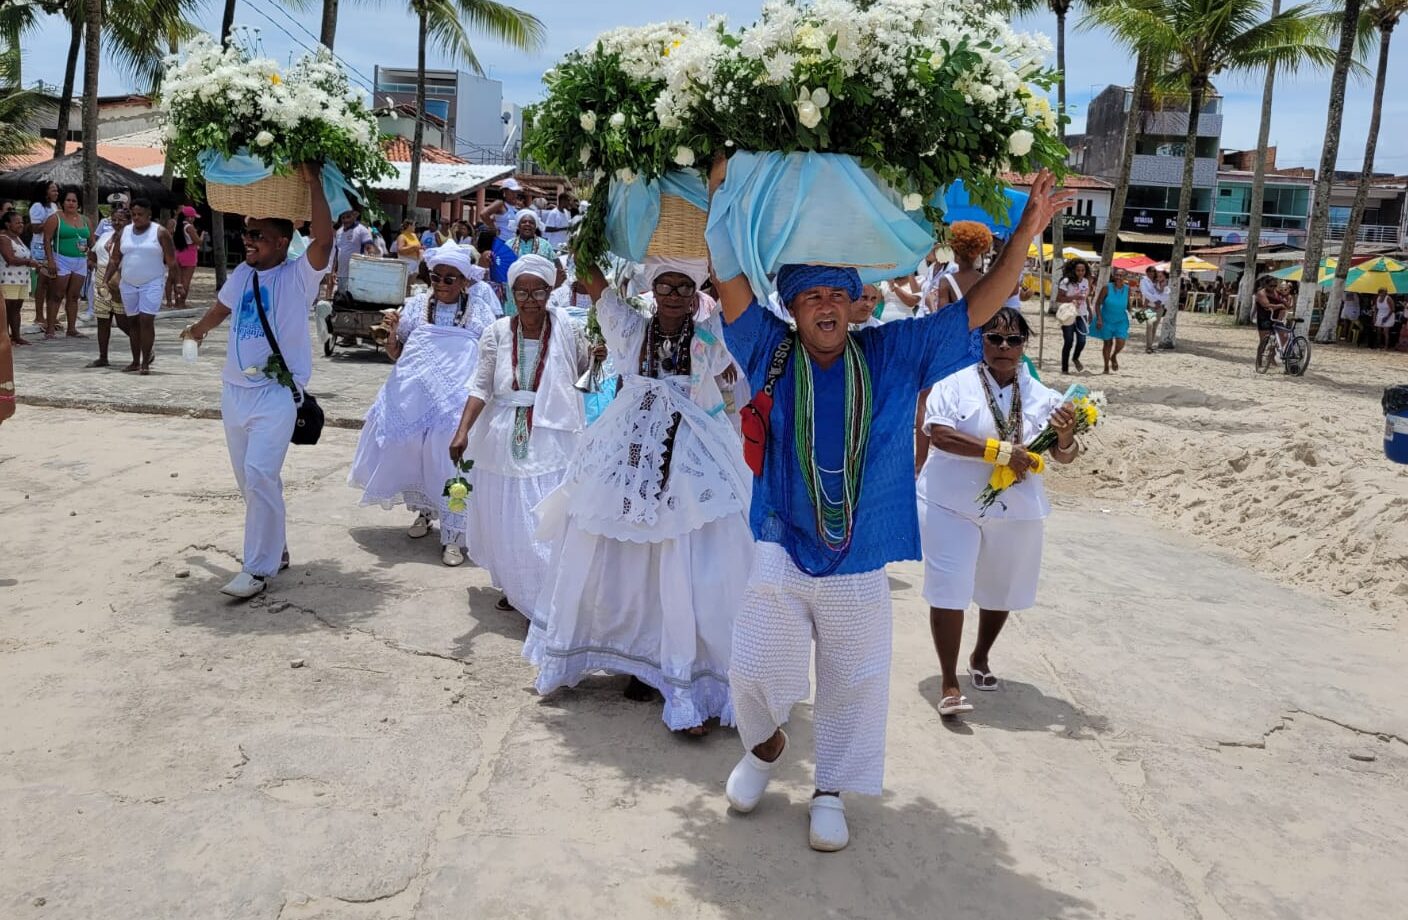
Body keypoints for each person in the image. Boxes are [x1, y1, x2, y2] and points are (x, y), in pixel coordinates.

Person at [713, 164, 1070, 852]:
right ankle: (764, 747)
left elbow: (975, 311)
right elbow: (726, 275)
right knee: (754, 663)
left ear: (853, 305)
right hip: (781, 538)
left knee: (856, 677)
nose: (823, 305)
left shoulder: (894, 352)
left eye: (834, 295)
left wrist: (1023, 234)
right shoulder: (766, 348)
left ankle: (829, 790)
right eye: (809, 294)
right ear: (791, 307)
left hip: (864, 547)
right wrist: (724, 195)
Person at [525, 257, 751, 735]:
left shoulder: (710, 335)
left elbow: (736, 301)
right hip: (625, 451)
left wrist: (728, 248)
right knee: (621, 557)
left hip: (691, 455)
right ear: (653, 291)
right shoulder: (628, 328)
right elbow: (595, 282)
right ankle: (633, 660)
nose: (672, 294)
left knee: (683, 557)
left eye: (683, 286)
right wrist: (597, 229)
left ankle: (682, 678)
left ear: (695, 293)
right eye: (664, 285)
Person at [916, 307, 1080, 716]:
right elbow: (939, 434)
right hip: (949, 502)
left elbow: (1067, 457)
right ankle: (950, 683)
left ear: (1025, 345)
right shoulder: (955, 382)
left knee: (1001, 586)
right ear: (981, 342)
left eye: (1013, 340)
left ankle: (981, 656)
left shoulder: (1047, 397)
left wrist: (1064, 436)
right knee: (949, 585)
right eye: (994, 338)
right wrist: (1003, 451)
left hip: (1016, 508)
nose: (1004, 347)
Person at [181, 163, 332, 600]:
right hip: (234, 392)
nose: (247, 241)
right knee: (249, 482)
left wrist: (313, 182)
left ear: (283, 242)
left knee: (261, 473)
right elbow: (222, 308)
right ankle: (275, 547)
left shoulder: (297, 276)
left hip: (275, 395)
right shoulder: (244, 274)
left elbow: (323, 239)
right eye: (246, 235)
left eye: (258, 235)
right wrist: (196, 330)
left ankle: (258, 568)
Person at [448, 253, 591, 613]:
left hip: (553, 436)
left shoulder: (570, 330)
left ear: (550, 291)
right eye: (521, 293)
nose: (529, 300)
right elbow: (481, 386)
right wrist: (462, 431)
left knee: (540, 520)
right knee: (507, 520)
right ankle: (517, 587)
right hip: (501, 438)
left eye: (537, 292)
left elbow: (587, 376)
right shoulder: (495, 332)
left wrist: (599, 357)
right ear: (512, 294)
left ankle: (540, 599)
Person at [350, 247, 498, 566]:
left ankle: (455, 535)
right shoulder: (416, 306)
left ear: (464, 282)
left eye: (449, 278)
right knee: (415, 452)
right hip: (416, 394)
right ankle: (424, 513)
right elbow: (399, 352)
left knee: (449, 458)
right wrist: (389, 335)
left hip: (456, 395)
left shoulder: (481, 311)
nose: (441, 283)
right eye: (435, 276)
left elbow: (489, 355)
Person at [103, 198, 180, 375]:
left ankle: (146, 361)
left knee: (146, 320)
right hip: (128, 283)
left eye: (140, 215)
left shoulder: (160, 233)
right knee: (133, 322)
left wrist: (178, 284)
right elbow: (115, 258)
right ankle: (135, 360)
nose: (136, 218)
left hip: (152, 282)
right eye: (134, 214)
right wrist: (106, 279)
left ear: (149, 215)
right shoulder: (124, 232)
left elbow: (172, 262)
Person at [84, 206, 135, 369]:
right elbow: (93, 254)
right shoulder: (106, 235)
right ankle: (103, 356)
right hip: (100, 278)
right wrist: (91, 262)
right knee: (103, 319)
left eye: (121, 219)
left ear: (129, 221)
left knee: (121, 320)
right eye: (114, 219)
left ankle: (143, 347)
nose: (117, 223)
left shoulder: (132, 238)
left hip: (119, 278)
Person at [40, 186, 92, 340]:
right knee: (56, 294)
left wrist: (92, 256)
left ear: (78, 203)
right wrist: (50, 261)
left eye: (74, 201)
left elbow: (91, 240)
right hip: (61, 258)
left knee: (74, 295)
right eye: (68, 200)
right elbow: (47, 240)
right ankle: (50, 329)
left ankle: (71, 328)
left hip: (80, 260)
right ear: (63, 202)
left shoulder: (85, 220)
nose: (71, 203)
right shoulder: (55, 218)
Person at [927, 221, 992, 313]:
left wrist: (930, 303)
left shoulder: (946, 281)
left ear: (955, 251)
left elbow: (942, 317)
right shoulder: (986, 280)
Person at [1, 209, 40, 346]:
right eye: (17, 222)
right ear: (7, 224)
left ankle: (16, 336)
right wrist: (29, 262)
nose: (21, 225)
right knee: (7, 309)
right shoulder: (3, 238)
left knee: (16, 308)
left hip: (21, 279)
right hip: (8, 279)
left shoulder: (17, 238)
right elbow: (10, 259)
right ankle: (4, 337)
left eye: (22, 222)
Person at [27, 181, 59, 327]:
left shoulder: (54, 206)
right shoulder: (37, 207)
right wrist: (50, 222)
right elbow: (35, 228)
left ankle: (51, 315)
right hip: (40, 246)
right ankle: (39, 315)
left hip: (53, 245)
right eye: (53, 190)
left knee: (53, 282)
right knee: (42, 282)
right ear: (45, 192)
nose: (56, 193)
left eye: (57, 191)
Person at [1091, 267, 1133, 374]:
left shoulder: (1127, 289)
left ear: (1125, 277)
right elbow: (1098, 303)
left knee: (1121, 342)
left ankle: (1113, 356)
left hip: (1121, 320)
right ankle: (1106, 367)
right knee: (1108, 343)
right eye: (1117, 275)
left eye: (1121, 275)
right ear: (1114, 276)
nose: (1119, 277)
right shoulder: (1106, 287)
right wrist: (1099, 319)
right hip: (1106, 319)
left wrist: (1135, 313)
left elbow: (1128, 305)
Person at [1056, 260, 1091, 374]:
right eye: (1078, 270)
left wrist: (1090, 311)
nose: (1080, 273)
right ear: (1073, 270)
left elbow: (1086, 298)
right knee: (1069, 341)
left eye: (1083, 270)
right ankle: (1064, 368)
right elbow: (1059, 298)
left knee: (1082, 340)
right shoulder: (1066, 281)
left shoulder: (1086, 281)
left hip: (1082, 314)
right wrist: (1073, 297)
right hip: (1069, 314)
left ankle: (1075, 357)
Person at [165, 205, 201, 310]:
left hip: (177, 252)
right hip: (189, 253)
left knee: (176, 280)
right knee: (185, 281)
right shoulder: (188, 227)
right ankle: (181, 303)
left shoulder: (174, 223)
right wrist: (202, 235)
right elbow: (198, 241)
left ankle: (172, 301)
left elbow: (168, 236)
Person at [332, 209, 372, 293]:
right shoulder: (339, 232)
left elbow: (370, 249)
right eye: (343, 217)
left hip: (356, 275)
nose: (346, 220)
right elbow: (337, 253)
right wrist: (333, 271)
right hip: (341, 275)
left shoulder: (362, 230)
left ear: (354, 216)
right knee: (342, 300)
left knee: (353, 301)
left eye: (348, 217)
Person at [1253, 275, 1282, 368]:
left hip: (1276, 318)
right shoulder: (1261, 293)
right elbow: (1266, 305)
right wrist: (1280, 306)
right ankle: (1259, 361)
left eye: (1275, 285)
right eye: (1271, 286)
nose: (1273, 287)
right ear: (1265, 285)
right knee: (1263, 341)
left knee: (1277, 340)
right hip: (1264, 318)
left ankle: (1271, 358)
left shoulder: (1276, 292)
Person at [1138, 266, 1167, 354]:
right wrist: (1155, 301)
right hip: (1150, 307)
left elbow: (1164, 293)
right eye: (1150, 271)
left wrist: (1161, 302)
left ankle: (1150, 345)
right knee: (1149, 326)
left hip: (1159, 307)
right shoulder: (1144, 281)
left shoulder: (1158, 281)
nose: (1152, 273)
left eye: (1153, 271)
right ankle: (1148, 347)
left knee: (1154, 327)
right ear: (1147, 272)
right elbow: (1146, 293)